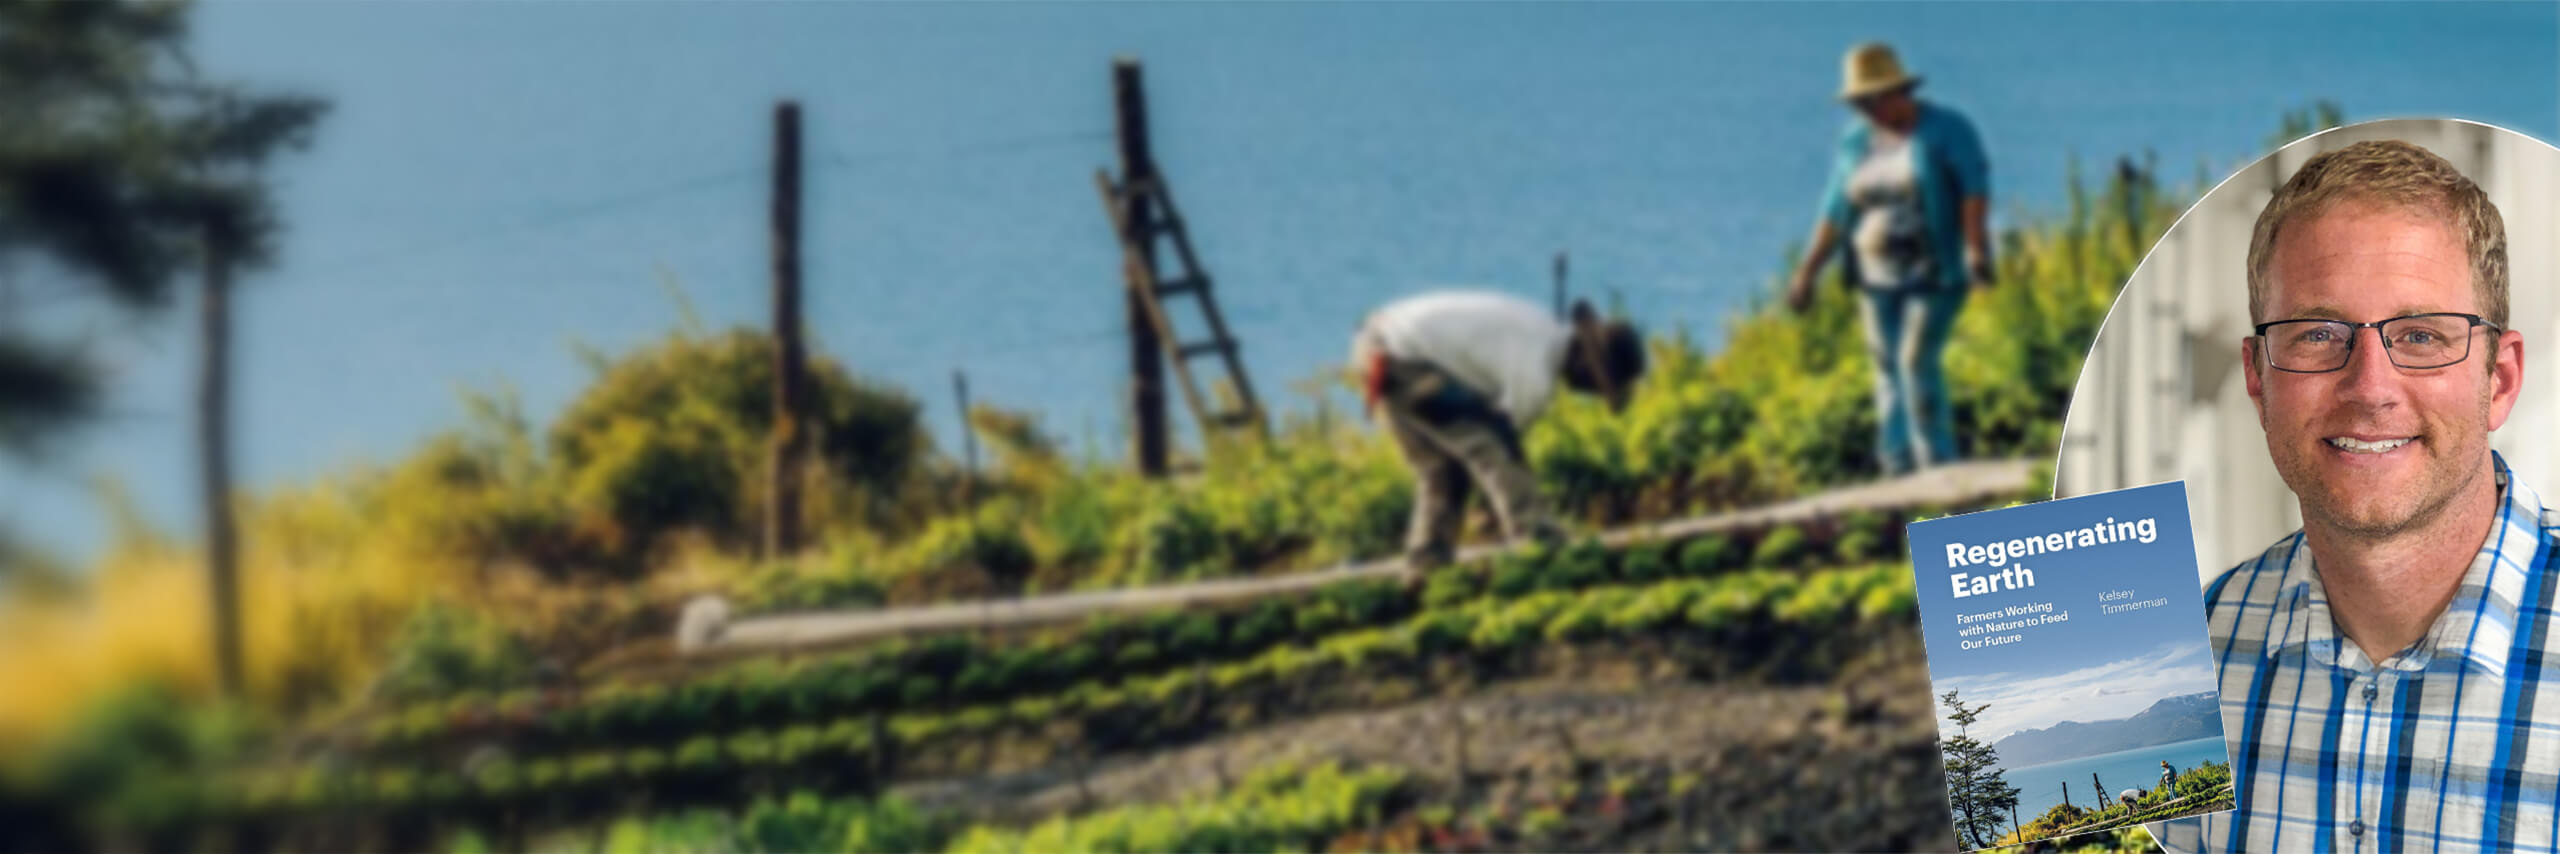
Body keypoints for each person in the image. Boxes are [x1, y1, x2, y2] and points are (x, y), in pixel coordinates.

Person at [2147, 140, 2551, 852]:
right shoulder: (2163, 666)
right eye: (2317, 334)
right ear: (2257, 378)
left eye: (2422, 335)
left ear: (2501, 380)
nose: (2369, 387)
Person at [1785, 42, 1992, 476]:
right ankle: (1896, 469)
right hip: (1873, 275)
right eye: (1858, 103)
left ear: (1899, 92)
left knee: (1915, 359)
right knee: (1885, 367)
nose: (1865, 110)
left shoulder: (1946, 130)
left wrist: (1976, 250)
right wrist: (1807, 272)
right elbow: (1836, 209)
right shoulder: (1856, 142)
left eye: (1872, 99)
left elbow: (1972, 190)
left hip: (1934, 271)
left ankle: (1937, 466)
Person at [1351, 291, 1644, 573]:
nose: (1588, 391)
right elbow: (1503, 449)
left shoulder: (1541, 330)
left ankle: (1426, 564)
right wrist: (1524, 515)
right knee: (1489, 442)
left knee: (1442, 469)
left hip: (1376, 345)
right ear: (1583, 361)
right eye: (1595, 382)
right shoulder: (1537, 371)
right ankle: (1540, 543)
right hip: (1404, 357)